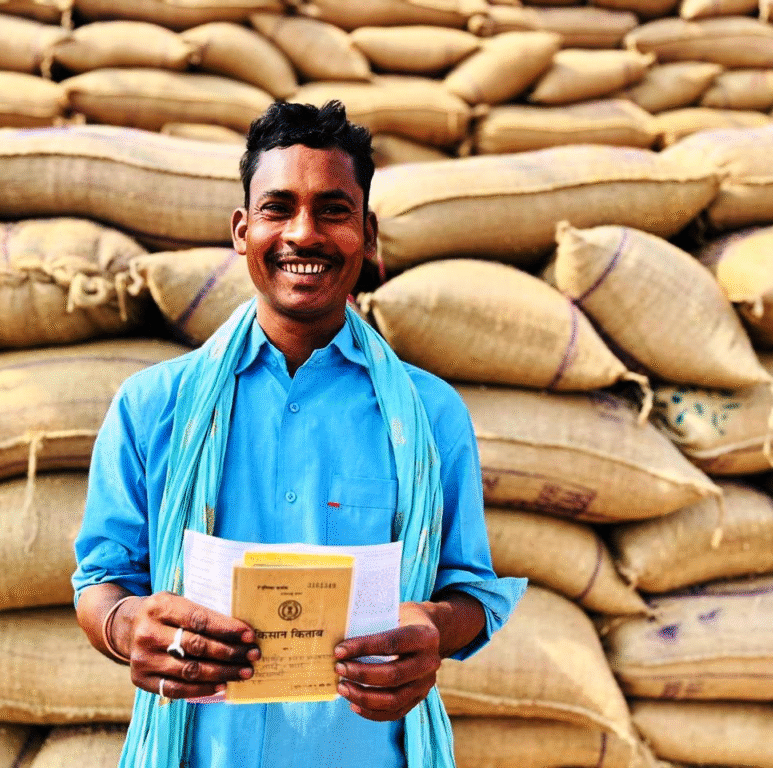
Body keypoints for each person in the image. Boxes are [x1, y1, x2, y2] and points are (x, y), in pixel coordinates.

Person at [73, 100, 526, 768]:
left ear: (367, 235)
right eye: (278, 208)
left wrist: (436, 628)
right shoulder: (153, 406)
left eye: (333, 210)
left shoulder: (429, 415)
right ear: (241, 229)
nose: (303, 234)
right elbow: (101, 580)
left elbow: (472, 590)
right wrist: (125, 627)